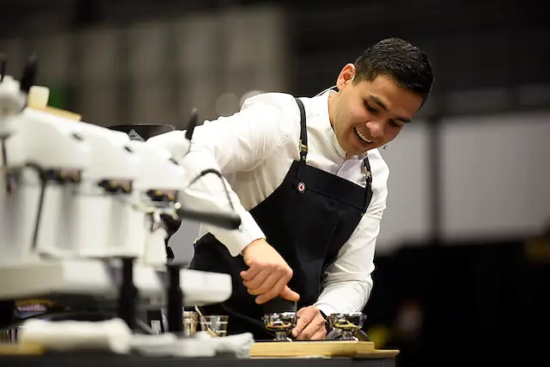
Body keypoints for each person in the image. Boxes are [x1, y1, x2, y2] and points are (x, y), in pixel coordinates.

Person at [150, 37, 434, 341]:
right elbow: (186, 151)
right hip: (211, 337)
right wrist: (251, 243)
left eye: (396, 123)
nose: (376, 130)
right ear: (346, 77)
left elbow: (352, 276)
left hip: (291, 347)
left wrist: (326, 312)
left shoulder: (373, 176)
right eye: (371, 107)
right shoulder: (279, 121)